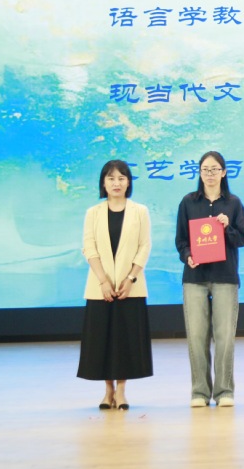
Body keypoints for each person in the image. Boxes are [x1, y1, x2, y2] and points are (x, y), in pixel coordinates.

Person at [175, 151, 244, 408]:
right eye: (205, 169)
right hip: (195, 277)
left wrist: (227, 227)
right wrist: (187, 256)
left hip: (225, 276)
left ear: (224, 172)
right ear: (199, 172)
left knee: (225, 336)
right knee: (196, 337)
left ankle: (224, 391)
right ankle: (199, 392)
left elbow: (242, 239)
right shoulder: (188, 202)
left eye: (215, 169)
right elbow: (181, 240)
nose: (210, 174)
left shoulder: (234, 203)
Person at [77, 159, 153, 410]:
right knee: (102, 341)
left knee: (125, 341)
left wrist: (130, 279)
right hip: (100, 288)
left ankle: (121, 391)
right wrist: (103, 281)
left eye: (121, 178)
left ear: (128, 182)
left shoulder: (140, 211)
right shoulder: (93, 213)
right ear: (103, 183)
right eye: (111, 178)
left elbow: (144, 246)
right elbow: (89, 248)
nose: (116, 183)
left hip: (130, 288)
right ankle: (107, 390)